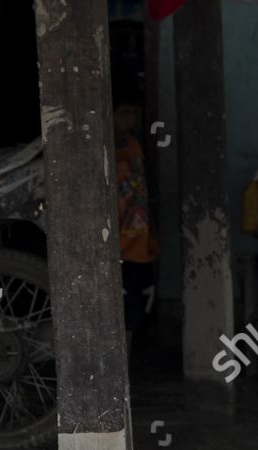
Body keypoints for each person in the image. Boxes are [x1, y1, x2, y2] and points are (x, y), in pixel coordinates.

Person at [113, 78, 159, 358]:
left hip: (138, 240)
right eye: (123, 113)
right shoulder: (105, 148)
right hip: (117, 242)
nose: (130, 119)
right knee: (120, 306)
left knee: (134, 308)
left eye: (133, 113)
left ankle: (126, 364)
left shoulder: (133, 144)